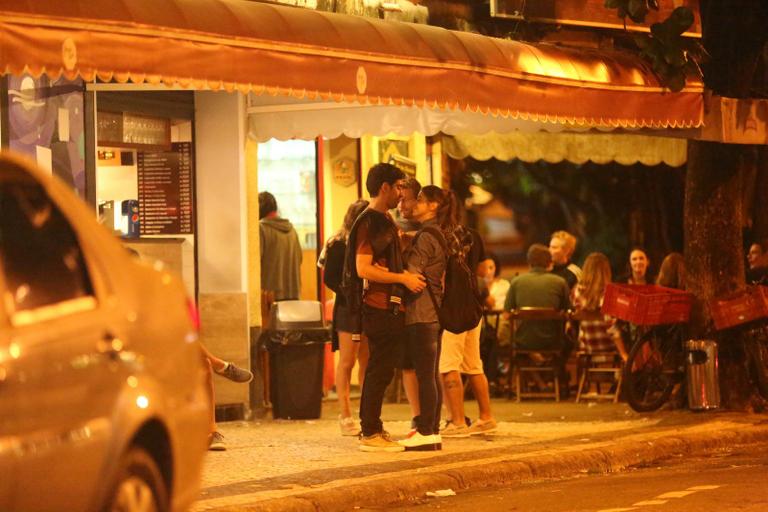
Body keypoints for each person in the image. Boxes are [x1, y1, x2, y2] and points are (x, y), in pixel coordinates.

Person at [344, 163, 426, 452]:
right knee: (379, 369)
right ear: (385, 188)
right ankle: (369, 430)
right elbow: (363, 268)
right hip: (377, 306)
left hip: (389, 306)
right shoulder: (370, 221)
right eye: (399, 186)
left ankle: (374, 426)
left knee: (382, 368)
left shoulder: (385, 220)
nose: (402, 193)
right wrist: (402, 277)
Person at [398, 185, 454, 451]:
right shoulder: (439, 233)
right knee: (430, 373)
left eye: (420, 200)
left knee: (425, 374)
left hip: (422, 311)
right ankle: (431, 430)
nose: (414, 204)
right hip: (435, 311)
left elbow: (413, 275)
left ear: (433, 206)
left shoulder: (426, 236)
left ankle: (426, 431)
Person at [439, 221, 497, 438]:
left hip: (452, 308)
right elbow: (483, 269)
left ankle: (458, 421)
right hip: (473, 306)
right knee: (473, 364)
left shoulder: (439, 235)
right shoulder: (473, 234)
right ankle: (486, 417)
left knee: (448, 365)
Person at [320, 199, 370, 436]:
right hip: (348, 308)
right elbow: (329, 277)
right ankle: (345, 414)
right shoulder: (339, 243)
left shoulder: (369, 243)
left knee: (367, 361)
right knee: (348, 360)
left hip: (368, 307)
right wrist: (350, 292)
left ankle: (366, 413)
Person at [504, 244, 570, 354]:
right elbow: (568, 312)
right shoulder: (560, 282)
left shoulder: (517, 282)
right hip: (552, 341)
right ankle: (550, 364)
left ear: (529, 263)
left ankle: (531, 359)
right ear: (550, 263)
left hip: (523, 341)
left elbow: (506, 315)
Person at [395, 177, 422, 430]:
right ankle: (417, 414)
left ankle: (432, 412)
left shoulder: (427, 227)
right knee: (408, 364)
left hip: (425, 301)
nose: (400, 203)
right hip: (402, 302)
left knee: (429, 361)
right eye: (398, 197)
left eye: (405, 198)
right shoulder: (391, 225)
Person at [573, 253, 628, 361]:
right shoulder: (610, 293)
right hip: (609, 346)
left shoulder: (577, 290)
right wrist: (624, 353)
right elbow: (612, 328)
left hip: (587, 346)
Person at [259, 191, 302, 301]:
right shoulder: (292, 230)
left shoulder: (261, 229)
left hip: (270, 298)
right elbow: (300, 259)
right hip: (293, 294)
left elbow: (255, 263)